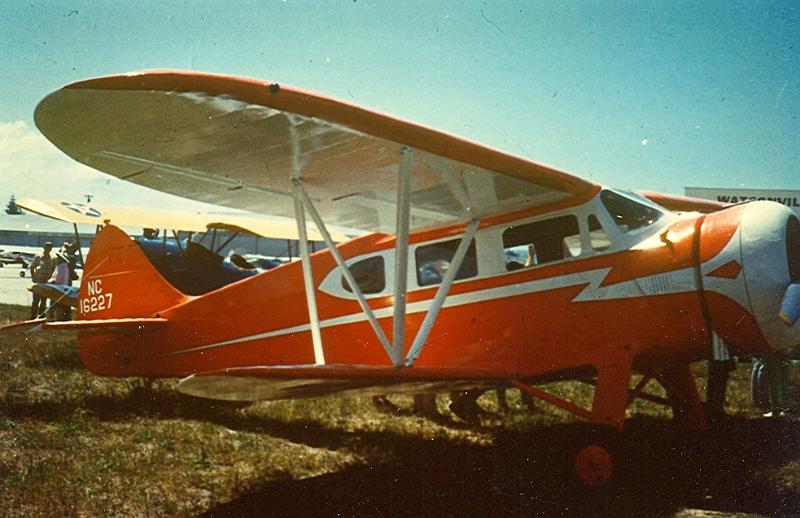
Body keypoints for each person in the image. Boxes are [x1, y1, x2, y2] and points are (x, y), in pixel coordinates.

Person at [29, 242, 55, 319]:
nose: (48, 249)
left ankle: (41, 317)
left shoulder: (52, 259)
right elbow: (32, 267)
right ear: (44, 247)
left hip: (46, 283)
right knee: (36, 301)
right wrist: (33, 278)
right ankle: (33, 317)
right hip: (38, 281)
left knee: (43, 301)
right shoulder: (38, 257)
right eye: (47, 247)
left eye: (50, 247)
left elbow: (53, 269)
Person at [48, 252, 72, 321]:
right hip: (59, 289)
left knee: (57, 306)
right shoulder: (61, 267)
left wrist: (48, 282)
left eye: (58, 258)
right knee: (58, 306)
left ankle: (56, 319)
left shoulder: (62, 268)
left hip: (59, 290)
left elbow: (57, 280)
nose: (57, 259)